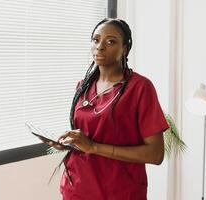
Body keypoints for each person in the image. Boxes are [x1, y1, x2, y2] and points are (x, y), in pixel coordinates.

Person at [47, 18, 169, 200]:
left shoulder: (139, 88)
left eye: (110, 41)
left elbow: (155, 154)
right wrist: (70, 143)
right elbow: (90, 135)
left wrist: (94, 147)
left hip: (118, 191)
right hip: (77, 188)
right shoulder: (83, 86)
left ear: (125, 49)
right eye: (96, 40)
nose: (100, 46)